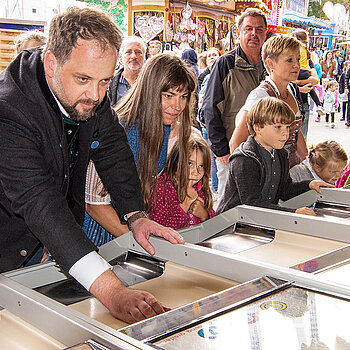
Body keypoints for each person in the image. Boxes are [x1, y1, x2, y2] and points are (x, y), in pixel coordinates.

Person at [0, 7, 185, 324]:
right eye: (84, 79)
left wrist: (136, 215)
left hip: (47, 245)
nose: (96, 95)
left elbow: (113, 149)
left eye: (105, 81)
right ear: (51, 63)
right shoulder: (9, 111)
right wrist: (114, 292)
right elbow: (39, 202)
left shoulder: (86, 93)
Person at [83, 54, 196, 245]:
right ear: (150, 92)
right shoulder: (119, 130)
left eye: (183, 97)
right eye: (168, 96)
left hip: (127, 231)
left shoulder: (164, 127)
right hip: (97, 238)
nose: (177, 106)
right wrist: (141, 241)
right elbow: (94, 205)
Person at [216, 97, 332, 215]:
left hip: (258, 220)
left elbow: (284, 190)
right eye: (278, 127)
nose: (285, 133)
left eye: (287, 127)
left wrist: (309, 184)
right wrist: (293, 213)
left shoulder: (281, 155)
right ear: (258, 128)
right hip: (230, 223)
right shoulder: (244, 159)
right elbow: (252, 203)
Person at [199, 8, 267, 202]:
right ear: (239, 33)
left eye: (259, 29)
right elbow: (209, 109)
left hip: (263, 153)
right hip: (232, 151)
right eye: (248, 29)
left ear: (265, 33)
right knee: (228, 204)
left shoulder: (270, 65)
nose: (254, 34)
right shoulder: (225, 64)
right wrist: (221, 150)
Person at [229, 34, 308, 168]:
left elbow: (296, 132)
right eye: (289, 60)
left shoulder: (292, 90)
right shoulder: (260, 95)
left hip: (291, 168)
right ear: (271, 63)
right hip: (268, 170)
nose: (296, 65)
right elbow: (236, 144)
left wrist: (306, 162)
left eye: (298, 59)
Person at [148, 134, 215, 229]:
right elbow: (159, 231)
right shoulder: (160, 190)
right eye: (190, 163)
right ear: (176, 161)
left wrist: (205, 215)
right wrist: (185, 204)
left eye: (201, 166)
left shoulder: (200, 187)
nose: (196, 173)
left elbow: (214, 227)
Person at [198, 47, 221, 194]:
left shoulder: (220, 75)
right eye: (210, 56)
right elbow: (201, 99)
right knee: (211, 155)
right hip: (207, 122)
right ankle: (215, 186)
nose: (212, 58)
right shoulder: (205, 77)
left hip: (216, 122)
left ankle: (216, 186)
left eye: (215, 55)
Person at [108, 36, 146, 107]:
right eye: (128, 52)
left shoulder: (152, 82)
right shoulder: (109, 84)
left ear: (145, 57)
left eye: (138, 52)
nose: (133, 56)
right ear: (120, 57)